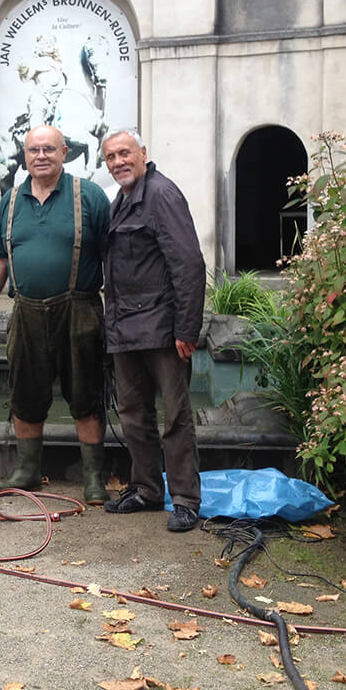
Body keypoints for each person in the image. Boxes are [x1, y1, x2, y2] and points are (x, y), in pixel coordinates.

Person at [0, 125, 112, 504]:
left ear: (64, 152)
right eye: (34, 149)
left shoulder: (90, 196)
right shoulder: (11, 200)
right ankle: (28, 470)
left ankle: (93, 477)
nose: (41, 156)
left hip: (80, 308)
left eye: (49, 149)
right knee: (25, 392)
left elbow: (111, 257)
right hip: (26, 311)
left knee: (85, 393)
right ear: (25, 154)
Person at [99, 129, 206, 532]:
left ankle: (185, 500)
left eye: (124, 153)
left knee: (175, 416)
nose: (118, 162)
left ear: (143, 153)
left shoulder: (162, 194)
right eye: (110, 157)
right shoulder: (122, 200)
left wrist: (187, 328)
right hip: (126, 329)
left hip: (163, 329)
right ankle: (145, 489)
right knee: (132, 413)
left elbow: (189, 264)